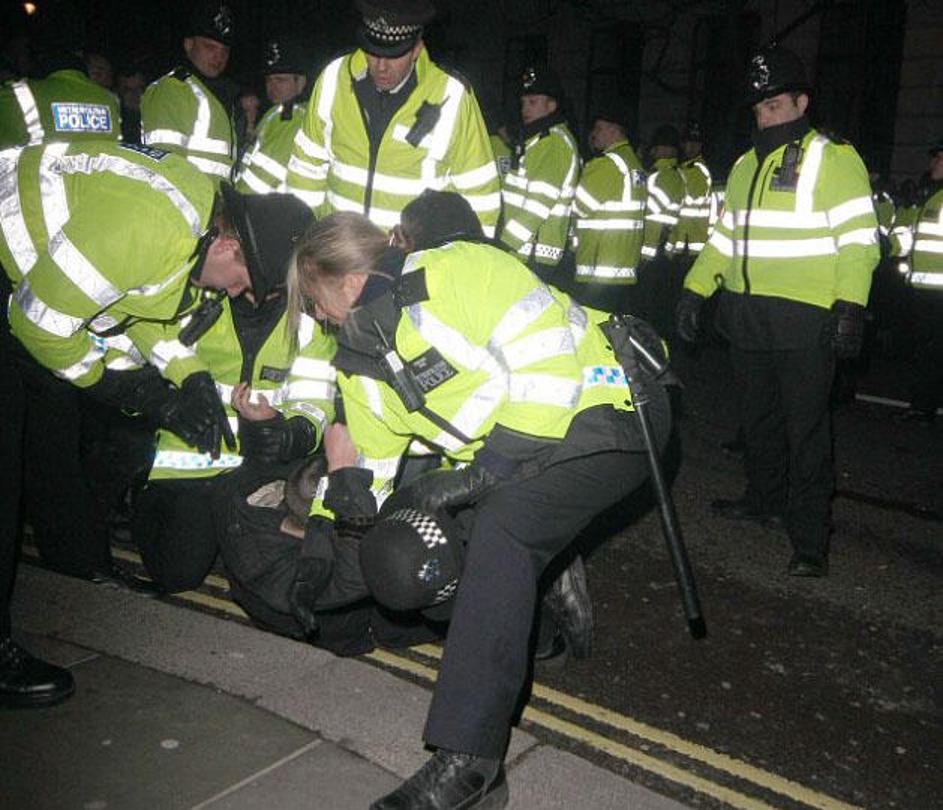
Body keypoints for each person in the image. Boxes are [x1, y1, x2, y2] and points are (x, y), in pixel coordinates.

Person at [289, 191, 669, 810]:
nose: (315, 317)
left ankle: (472, 765)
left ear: (348, 281)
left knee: (503, 528)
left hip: (610, 413)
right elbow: (367, 477)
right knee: (411, 557)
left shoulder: (458, 270)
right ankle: (543, 624)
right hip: (521, 455)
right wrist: (319, 549)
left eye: (312, 301)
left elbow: (549, 374)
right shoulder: (358, 365)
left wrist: (479, 478)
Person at [675, 45, 880, 577]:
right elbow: (724, 239)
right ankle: (764, 500)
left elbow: (859, 241)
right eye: (759, 108)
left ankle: (810, 540)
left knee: (805, 431)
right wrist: (695, 289)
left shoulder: (833, 158)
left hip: (806, 318)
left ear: (801, 103)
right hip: (747, 315)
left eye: (775, 105)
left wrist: (851, 306)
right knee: (759, 421)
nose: (765, 117)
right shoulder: (746, 165)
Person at [286, 0, 499, 234]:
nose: (381, 66)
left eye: (394, 54)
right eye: (373, 52)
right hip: (341, 249)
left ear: (416, 48)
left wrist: (461, 256)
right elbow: (305, 169)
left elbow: (481, 198)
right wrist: (304, 238)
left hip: (414, 254)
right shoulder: (333, 78)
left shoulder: (451, 95)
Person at [498, 64, 580, 286]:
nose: (525, 109)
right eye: (523, 102)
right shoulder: (537, 140)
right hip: (527, 249)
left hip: (532, 251)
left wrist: (505, 244)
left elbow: (538, 204)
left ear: (551, 105)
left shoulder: (552, 142)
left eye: (533, 102)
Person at [141, 0, 236, 182]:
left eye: (225, 51)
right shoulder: (171, 89)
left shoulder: (219, 94)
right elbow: (164, 166)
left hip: (216, 199)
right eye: (210, 47)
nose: (219, 56)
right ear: (188, 45)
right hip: (189, 199)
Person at [570, 99, 647, 314]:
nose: (594, 133)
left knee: (594, 326)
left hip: (598, 266)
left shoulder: (607, 164)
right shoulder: (634, 164)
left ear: (614, 130)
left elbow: (579, 207)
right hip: (622, 265)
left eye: (599, 128)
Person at [900, 139, 943, 422]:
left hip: (937, 292)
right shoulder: (929, 195)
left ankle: (923, 407)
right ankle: (924, 404)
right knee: (926, 350)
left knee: (931, 351)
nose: (933, 163)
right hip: (923, 289)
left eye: (939, 158)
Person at [235, 36, 310, 195]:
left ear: (300, 82)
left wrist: (234, 201)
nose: (272, 86)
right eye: (269, 79)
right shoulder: (275, 112)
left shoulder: (295, 117)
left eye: (280, 80)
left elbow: (262, 180)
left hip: (263, 205)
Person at [640, 123, 684, 336]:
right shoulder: (671, 175)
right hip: (661, 250)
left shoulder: (662, 176)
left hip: (653, 253)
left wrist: (644, 255)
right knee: (656, 307)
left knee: (650, 309)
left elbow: (650, 214)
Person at [116, 66, 146, 144]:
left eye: (139, 88)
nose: (134, 94)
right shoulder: (114, 120)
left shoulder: (155, 116)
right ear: (118, 91)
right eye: (127, 90)